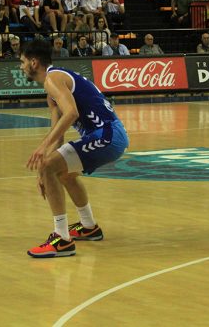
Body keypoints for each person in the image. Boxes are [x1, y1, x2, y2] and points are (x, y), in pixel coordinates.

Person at [20, 39, 129, 257]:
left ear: (34, 62)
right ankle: (89, 227)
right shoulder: (51, 88)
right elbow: (57, 136)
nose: (21, 67)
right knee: (62, 173)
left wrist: (42, 150)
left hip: (107, 134)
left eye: (22, 62)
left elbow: (71, 113)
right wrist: (44, 168)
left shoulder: (53, 78)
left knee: (52, 167)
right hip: (110, 135)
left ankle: (62, 239)